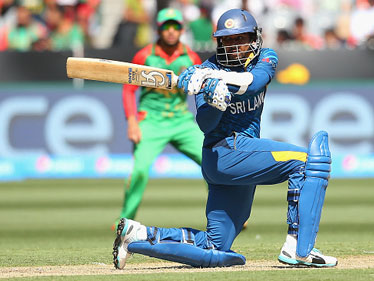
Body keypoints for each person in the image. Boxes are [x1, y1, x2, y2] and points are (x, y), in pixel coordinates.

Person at [112, 8, 337, 269]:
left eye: (239, 38)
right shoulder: (204, 70)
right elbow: (205, 125)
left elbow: (253, 82)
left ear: (254, 38)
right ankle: (298, 248)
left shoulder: (264, 57)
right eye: (227, 40)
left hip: (240, 155)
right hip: (224, 151)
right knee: (307, 163)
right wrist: (214, 100)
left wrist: (214, 79)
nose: (233, 45)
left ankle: (137, 236)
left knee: (215, 248)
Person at [113, 7, 204, 229]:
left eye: (175, 27)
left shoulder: (191, 57)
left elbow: (201, 91)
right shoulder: (144, 55)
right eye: (166, 27)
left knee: (213, 163)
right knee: (140, 170)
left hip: (181, 120)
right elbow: (128, 89)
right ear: (158, 29)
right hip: (151, 120)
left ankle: (227, 215)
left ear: (182, 29)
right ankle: (125, 220)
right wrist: (132, 122)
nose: (171, 31)